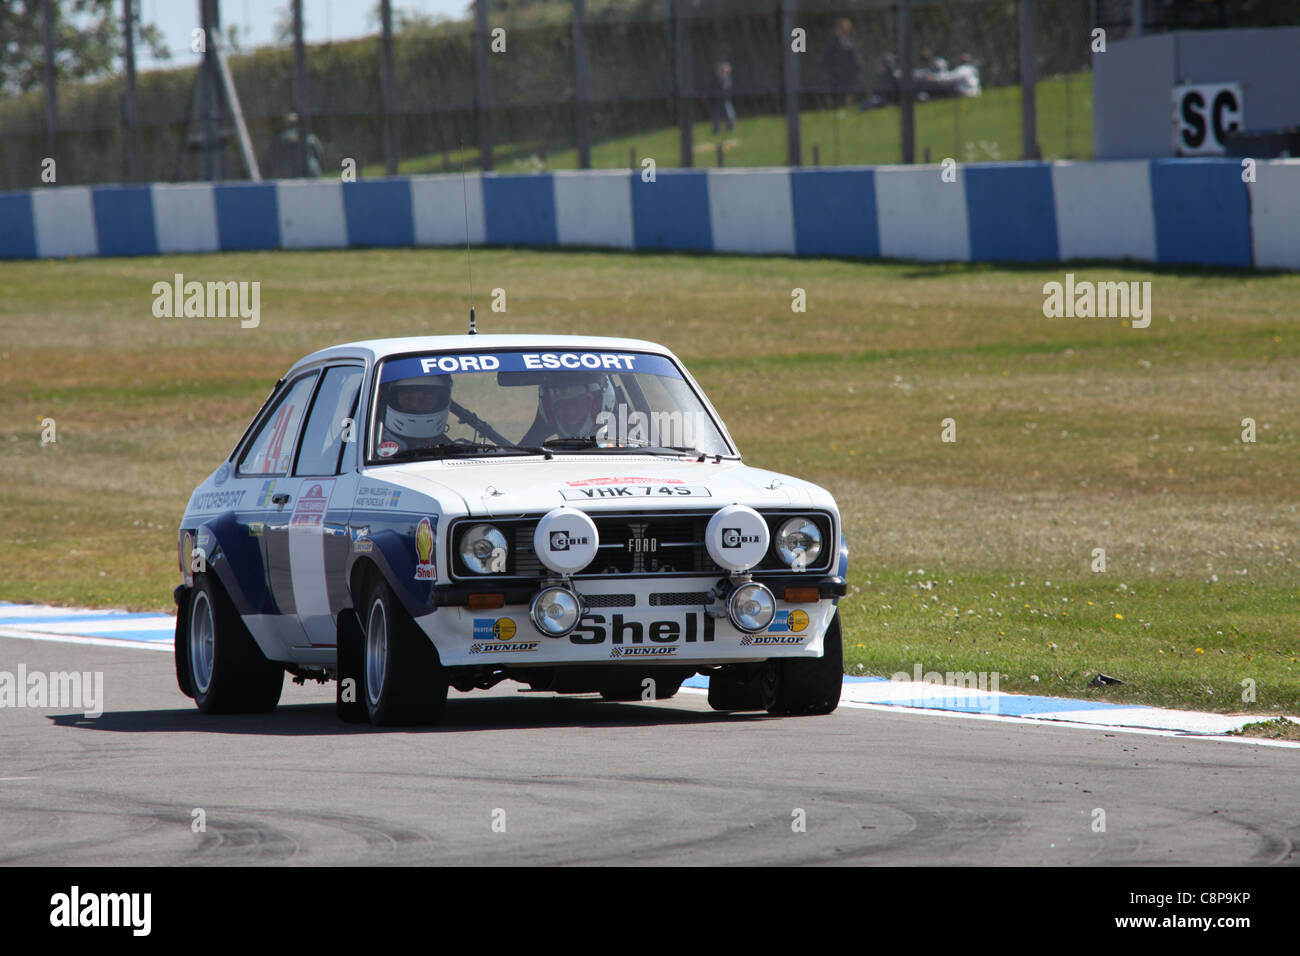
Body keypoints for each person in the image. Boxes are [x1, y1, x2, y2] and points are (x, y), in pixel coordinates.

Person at [522, 373, 616, 444]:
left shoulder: (627, 444)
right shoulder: (526, 459)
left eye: (580, 403)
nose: (571, 413)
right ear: (549, 411)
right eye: (561, 405)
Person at [376, 374, 453, 454]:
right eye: (408, 398)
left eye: (427, 398)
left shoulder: (453, 450)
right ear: (392, 400)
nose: (416, 405)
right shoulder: (369, 446)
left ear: (440, 400)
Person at [260, 112, 324, 179]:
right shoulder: (311, 138)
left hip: (295, 172)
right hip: (308, 171)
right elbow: (319, 156)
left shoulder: (282, 138)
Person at [821, 18, 864, 107]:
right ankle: (829, 107)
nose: (838, 31)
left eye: (841, 29)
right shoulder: (832, 43)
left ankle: (849, 106)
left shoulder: (851, 44)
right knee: (830, 93)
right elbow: (826, 58)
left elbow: (856, 59)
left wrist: (856, 69)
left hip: (848, 74)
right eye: (837, 28)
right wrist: (826, 71)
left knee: (849, 92)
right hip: (834, 73)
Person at [710, 61, 736, 135]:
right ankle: (716, 130)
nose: (724, 73)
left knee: (730, 114)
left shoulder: (728, 79)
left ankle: (731, 128)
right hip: (718, 101)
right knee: (716, 116)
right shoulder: (716, 80)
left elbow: (728, 90)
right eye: (722, 71)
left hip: (725, 100)